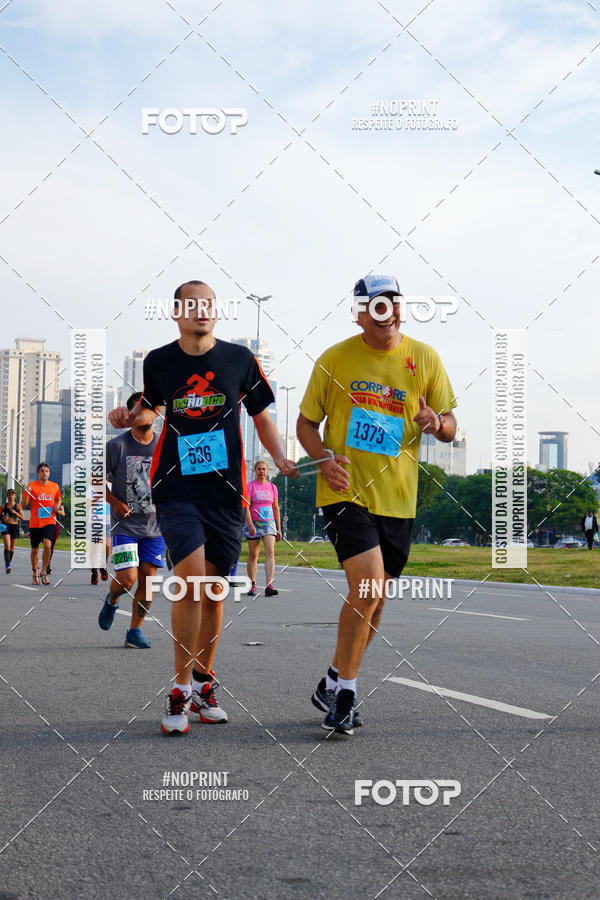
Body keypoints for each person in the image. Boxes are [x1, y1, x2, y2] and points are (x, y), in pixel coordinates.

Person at [109, 280, 296, 734]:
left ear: (216, 311)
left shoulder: (238, 360)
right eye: (191, 305)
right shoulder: (160, 361)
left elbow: (262, 416)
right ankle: (177, 691)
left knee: (213, 592)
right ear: (176, 312)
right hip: (176, 490)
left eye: (208, 305)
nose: (201, 312)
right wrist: (132, 417)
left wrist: (279, 457)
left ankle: (204, 682)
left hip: (226, 493)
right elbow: (153, 408)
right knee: (190, 583)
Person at [297, 274, 457, 736]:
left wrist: (435, 422)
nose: (388, 313)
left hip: (399, 500)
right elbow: (307, 424)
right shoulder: (335, 359)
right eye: (377, 306)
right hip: (346, 491)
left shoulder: (424, 358)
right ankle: (346, 695)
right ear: (360, 312)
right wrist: (323, 459)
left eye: (394, 304)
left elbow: (449, 424)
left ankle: (330, 679)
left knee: (376, 603)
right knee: (366, 587)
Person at [98, 391, 166, 648]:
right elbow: (95, 481)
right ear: (130, 414)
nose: (146, 412)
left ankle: (134, 632)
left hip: (155, 528)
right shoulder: (117, 446)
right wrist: (115, 502)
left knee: (148, 583)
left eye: (151, 408)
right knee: (127, 579)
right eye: (140, 408)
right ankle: (112, 600)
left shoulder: (163, 446)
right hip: (125, 526)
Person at [244, 460, 282, 596]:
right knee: (253, 554)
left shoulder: (272, 487)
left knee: (270, 552)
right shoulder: (250, 486)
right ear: (255, 471)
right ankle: (252, 584)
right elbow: (246, 507)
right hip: (254, 523)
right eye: (259, 469)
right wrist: (249, 525)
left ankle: (269, 585)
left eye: (264, 469)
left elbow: (276, 508)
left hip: (269, 523)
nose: (262, 471)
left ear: (267, 471)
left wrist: (279, 528)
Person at [21, 462, 62, 585]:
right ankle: (35, 572)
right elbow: (23, 505)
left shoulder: (54, 486)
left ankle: (43, 572)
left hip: (49, 520)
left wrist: (58, 505)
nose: (44, 473)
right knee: (35, 550)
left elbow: (58, 498)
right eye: (42, 471)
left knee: (47, 545)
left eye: (46, 471)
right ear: (38, 473)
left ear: (49, 473)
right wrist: (27, 493)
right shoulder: (31, 486)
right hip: (35, 522)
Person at [2, 489, 24, 574]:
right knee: (7, 545)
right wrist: (3, 518)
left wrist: (15, 512)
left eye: (12, 494)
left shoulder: (18, 506)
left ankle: (8, 564)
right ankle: (8, 565)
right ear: (7, 496)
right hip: (5, 526)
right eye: (9, 494)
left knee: (12, 547)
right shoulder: (3, 506)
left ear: (14, 496)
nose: (11, 496)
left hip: (14, 526)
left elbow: (22, 518)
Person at [46, 500, 65, 576]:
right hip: (45, 524)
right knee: (47, 545)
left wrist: (57, 510)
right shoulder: (45, 499)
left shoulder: (58, 501)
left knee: (51, 546)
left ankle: (48, 564)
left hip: (56, 524)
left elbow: (63, 513)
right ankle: (46, 564)